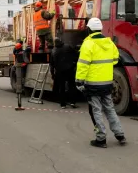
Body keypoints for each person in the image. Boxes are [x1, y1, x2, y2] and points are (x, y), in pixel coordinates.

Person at [75, 17, 126, 148]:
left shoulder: (88, 44)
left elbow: (82, 65)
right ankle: (120, 134)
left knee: (96, 110)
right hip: (107, 83)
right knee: (110, 109)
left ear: (89, 29)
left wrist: (79, 82)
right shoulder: (110, 43)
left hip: (92, 84)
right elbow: (115, 59)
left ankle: (101, 139)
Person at [49, 38, 78, 109]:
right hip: (70, 70)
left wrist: (52, 73)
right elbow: (76, 54)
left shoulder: (53, 50)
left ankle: (63, 104)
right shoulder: (67, 46)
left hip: (59, 71)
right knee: (72, 86)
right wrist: (74, 64)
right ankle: (72, 102)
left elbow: (51, 64)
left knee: (61, 87)